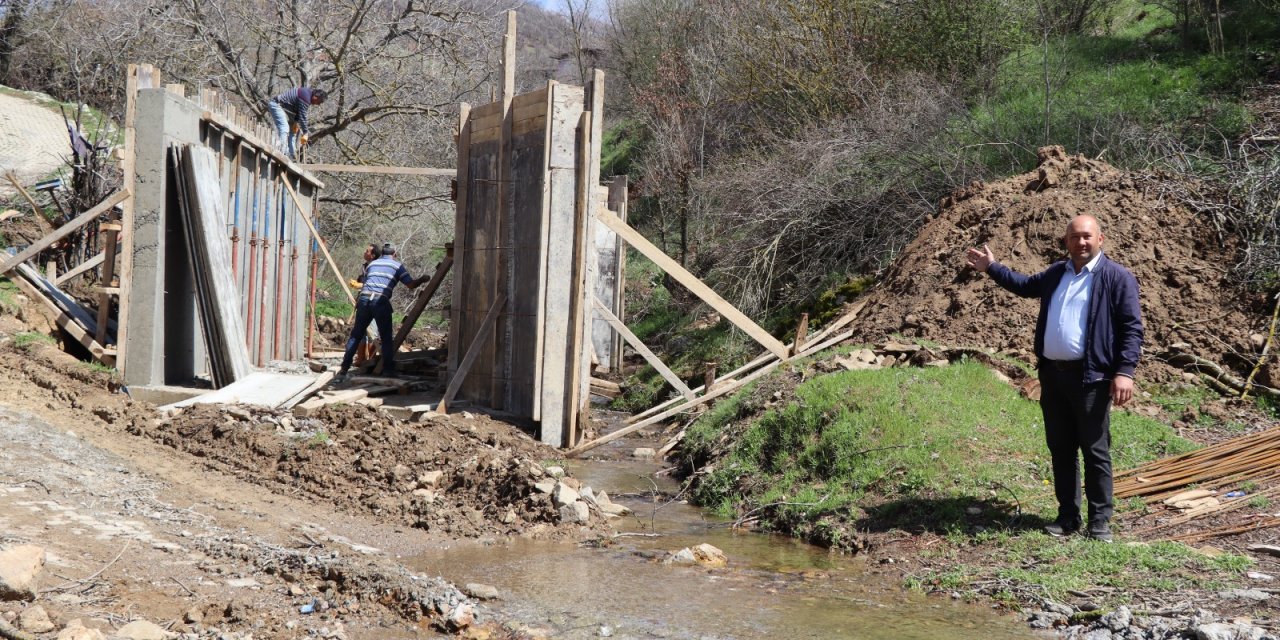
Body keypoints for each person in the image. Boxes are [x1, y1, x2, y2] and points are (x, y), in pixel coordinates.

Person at [965, 215, 1143, 543]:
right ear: (1066, 242)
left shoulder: (1117, 278)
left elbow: (1132, 328)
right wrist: (992, 267)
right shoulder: (1056, 273)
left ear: (1100, 239)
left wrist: (1124, 371)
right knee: (1061, 448)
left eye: (1087, 237)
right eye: (1075, 237)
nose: (1082, 243)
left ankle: (1100, 521)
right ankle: (1067, 517)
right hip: (1053, 377)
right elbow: (1024, 286)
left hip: (1091, 378)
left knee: (1095, 450)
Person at [336, 243, 428, 380]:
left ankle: (344, 368)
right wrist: (422, 279)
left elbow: (367, 282)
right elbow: (410, 285)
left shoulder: (372, 265)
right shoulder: (397, 266)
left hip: (364, 299)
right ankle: (388, 370)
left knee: (356, 334)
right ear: (394, 254)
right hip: (380, 300)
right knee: (386, 338)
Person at [266, 87, 326, 158]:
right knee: (284, 127)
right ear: (316, 96)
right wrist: (305, 133)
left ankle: (292, 155)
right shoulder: (306, 97)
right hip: (276, 105)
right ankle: (282, 152)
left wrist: (296, 122)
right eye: (319, 102)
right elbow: (302, 116)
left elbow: (298, 111)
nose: (318, 104)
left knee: (293, 131)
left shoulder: (308, 96)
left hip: (284, 108)